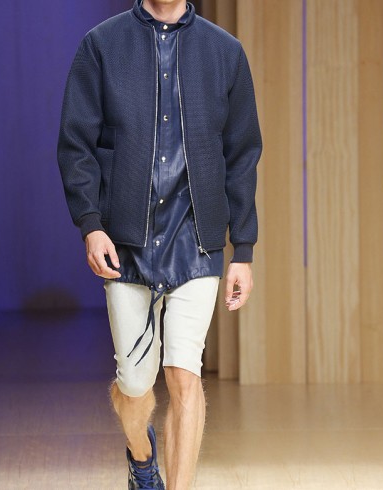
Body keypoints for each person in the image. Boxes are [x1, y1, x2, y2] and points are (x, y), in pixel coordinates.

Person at [57, 0, 262, 487]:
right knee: (134, 385)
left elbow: (242, 154)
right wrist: (91, 224)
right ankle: (141, 453)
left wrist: (243, 249)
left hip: (197, 239)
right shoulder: (102, 45)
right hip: (127, 242)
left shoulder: (225, 52)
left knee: (184, 374)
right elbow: (76, 143)